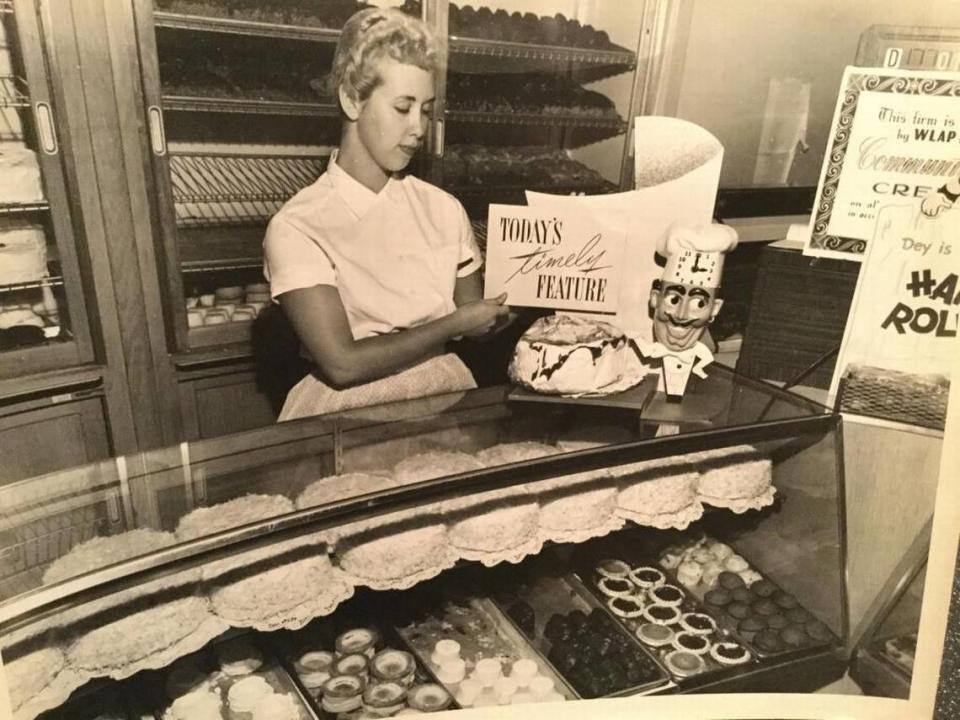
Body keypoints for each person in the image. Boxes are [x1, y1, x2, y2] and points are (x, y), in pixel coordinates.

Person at [264, 8, 510, 421]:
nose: (418, 128)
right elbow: (342, 364)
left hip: (447, 395)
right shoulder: (297, 226)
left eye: (427, 109)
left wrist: (534, 290)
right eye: (402, 107)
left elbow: (476, 322)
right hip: (350, 409)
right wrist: (452, 325)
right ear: (351, 98)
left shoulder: (443, 209)